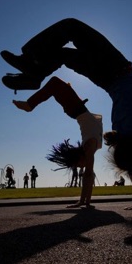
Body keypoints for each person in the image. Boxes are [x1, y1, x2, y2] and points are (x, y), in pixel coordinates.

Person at [1, 18, 132, 216]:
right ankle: (33, 74)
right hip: (104, 78)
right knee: (62, 55)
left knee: (71, 27)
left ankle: (31, 68)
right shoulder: (120, 130)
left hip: (114, 67)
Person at [13, 76, 102, 207]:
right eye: (79, 165)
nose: (81, 167)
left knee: (54, 84)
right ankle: (29, 105)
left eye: (78, 166)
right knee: (55, 84)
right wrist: (85, 202)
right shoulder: (89, 148)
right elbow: (89, 175)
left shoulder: (89, 146)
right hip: (77, 108)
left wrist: (84, 202)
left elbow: (89, 175)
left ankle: (29, 104)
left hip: (77, 109)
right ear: (80, 157)